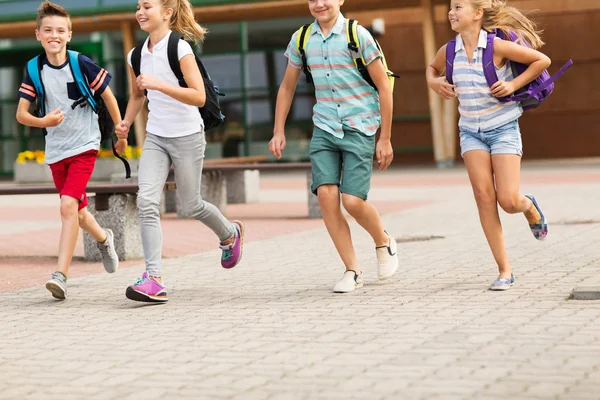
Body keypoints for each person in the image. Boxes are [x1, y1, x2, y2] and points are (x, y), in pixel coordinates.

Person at [115, 0, 244, 303]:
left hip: (187, 135)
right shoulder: (136, 54)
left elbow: (198, 97)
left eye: (147, 6)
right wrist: (125, 122)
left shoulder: (180, 49)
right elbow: (138, 95)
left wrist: (159, 84)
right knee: (146, 200)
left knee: (191, 205)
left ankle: (229, 234)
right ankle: (153, 277)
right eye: (138, 6)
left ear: (167, 12)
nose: (141, 12)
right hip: (156, 137)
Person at [268, 0, 399, 293]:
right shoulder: (301, 39)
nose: (319, 4)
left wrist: (385, 138)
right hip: (325, 126)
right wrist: (278, 131)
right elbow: (287, 87)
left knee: (352, 201)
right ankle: (352, 270)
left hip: (360, 125)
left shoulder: (358, 35)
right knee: (326, 196)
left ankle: (383, 241)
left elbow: (383, 86)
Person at [426, 0, 550, 291]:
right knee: (484, 197)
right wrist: (434, 83)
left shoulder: (496, 47)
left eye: (458, 7)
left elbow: (541, 60)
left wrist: (513, 84)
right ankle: (505, 269)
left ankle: (529, 206)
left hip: (503, 127)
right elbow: (431, 70)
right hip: (470, 132)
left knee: (508, 201)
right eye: (451, 8)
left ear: (477, 14)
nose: (451, 13)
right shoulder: (449, 51)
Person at [16, 0, 126, 300]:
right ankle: (105, 239)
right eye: (48, 30)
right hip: (56, 150)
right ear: (38, 34)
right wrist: (44, 120)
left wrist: (120, 131)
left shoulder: (81, 63)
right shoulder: (33, 68)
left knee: (66, 207)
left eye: (61, 30)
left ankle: (60, 276)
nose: (55, 35)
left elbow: (109, 97)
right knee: (76, 211)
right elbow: (21, 114)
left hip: (84, 146)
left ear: (69, 34)